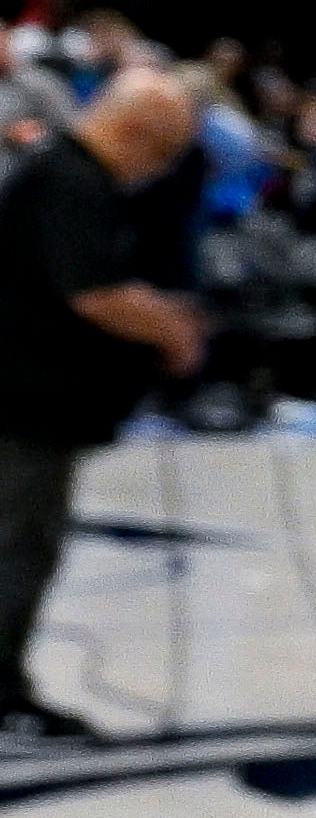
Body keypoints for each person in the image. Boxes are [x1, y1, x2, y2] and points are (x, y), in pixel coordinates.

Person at [3, 67, 210, 733]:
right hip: (20, 405)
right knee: (18, 542)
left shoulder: (67, 175)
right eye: (164, 148)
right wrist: (171, 327)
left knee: (28, 542)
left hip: (43, 407)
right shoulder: (68, 181)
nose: (162, 166)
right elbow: (92, 291)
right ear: (134, 131)